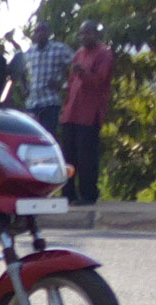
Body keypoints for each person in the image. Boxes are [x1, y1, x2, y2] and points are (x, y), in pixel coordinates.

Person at [60, 20, 114, 206]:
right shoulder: (79, 54)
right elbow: (71, 83)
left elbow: (99, 81)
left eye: (88, 33)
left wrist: (82, 72)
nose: (84, 37)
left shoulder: (104, 53)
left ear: (96, 34)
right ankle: (68, 194)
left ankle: (88, 195)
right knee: (68, 155)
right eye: (82, 33)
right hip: (71, 113)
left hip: (89, 114)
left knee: (86, 157)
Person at [16, 20, 73, 135]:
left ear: (48, 33)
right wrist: (24, 89)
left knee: (47, 136)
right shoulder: (30, 52)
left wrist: (62, 84)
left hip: (50, 102)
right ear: (34, 35)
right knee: (31, 137)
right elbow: (20, 72)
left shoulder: (60, 49)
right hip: (32, 103)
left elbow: (77, 65)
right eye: (37, 31)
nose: (40, 33)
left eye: (43, 30)